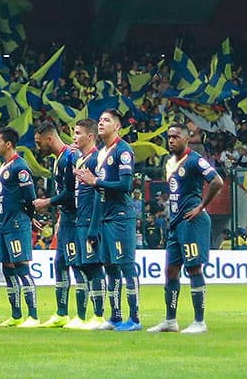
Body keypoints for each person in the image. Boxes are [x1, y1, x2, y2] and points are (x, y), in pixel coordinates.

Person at [148, 124, 223, 334]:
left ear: (185, 139)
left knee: (193, 268)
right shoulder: (170, 162)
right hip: (176, 224)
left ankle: (199, 321)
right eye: (169, 137)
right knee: (171, 270)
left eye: (175, 137)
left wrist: (201, 206)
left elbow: (217, 181)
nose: (171, 140)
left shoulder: (194, 159)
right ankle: (170, 321)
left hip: (192, 221)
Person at [76, 109, 141, 331]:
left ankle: (134, 318)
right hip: (104, 218)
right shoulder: (100, 153)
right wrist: (93, 227)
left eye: (107, 120)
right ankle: (115, 317)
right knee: (110, 267)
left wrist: (96, 182)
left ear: (118, 126)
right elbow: (97, 193)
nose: (101, 123)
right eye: (100, 119)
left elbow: (125, 185)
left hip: (121, 217)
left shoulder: (123, 151)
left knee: (126, 265)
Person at [33, 122, 84, 327]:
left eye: (39, 143)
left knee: (78, 265)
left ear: (50, 139)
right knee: (60, 263)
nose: (38, 148)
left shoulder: (70, 157)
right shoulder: (59, 159)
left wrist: (47, 202)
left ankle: (81, 316)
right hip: (67, 220)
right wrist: (60, 217)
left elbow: (72, 193)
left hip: (77, 220)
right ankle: (62, 313)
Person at [0, 127, 39, 327]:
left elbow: (30, 197)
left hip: (17, 224)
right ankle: (16, 315)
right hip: (3, 225)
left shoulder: (20, 167)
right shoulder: (4, 166)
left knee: (22, 267)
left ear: (8, 144)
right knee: (7, 269)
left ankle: (33, 316)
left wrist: (30, 216)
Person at [69, 119, 107, 329]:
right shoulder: (81, 160)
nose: (74, 137)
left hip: (91, 222)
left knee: (94, 267)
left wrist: (94, 226)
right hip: (79, 221)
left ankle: (99, 315)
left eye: (77, 133)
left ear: (89, 136)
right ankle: (87, 315)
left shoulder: (95, 160)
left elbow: (98, 193)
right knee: (83, 266)